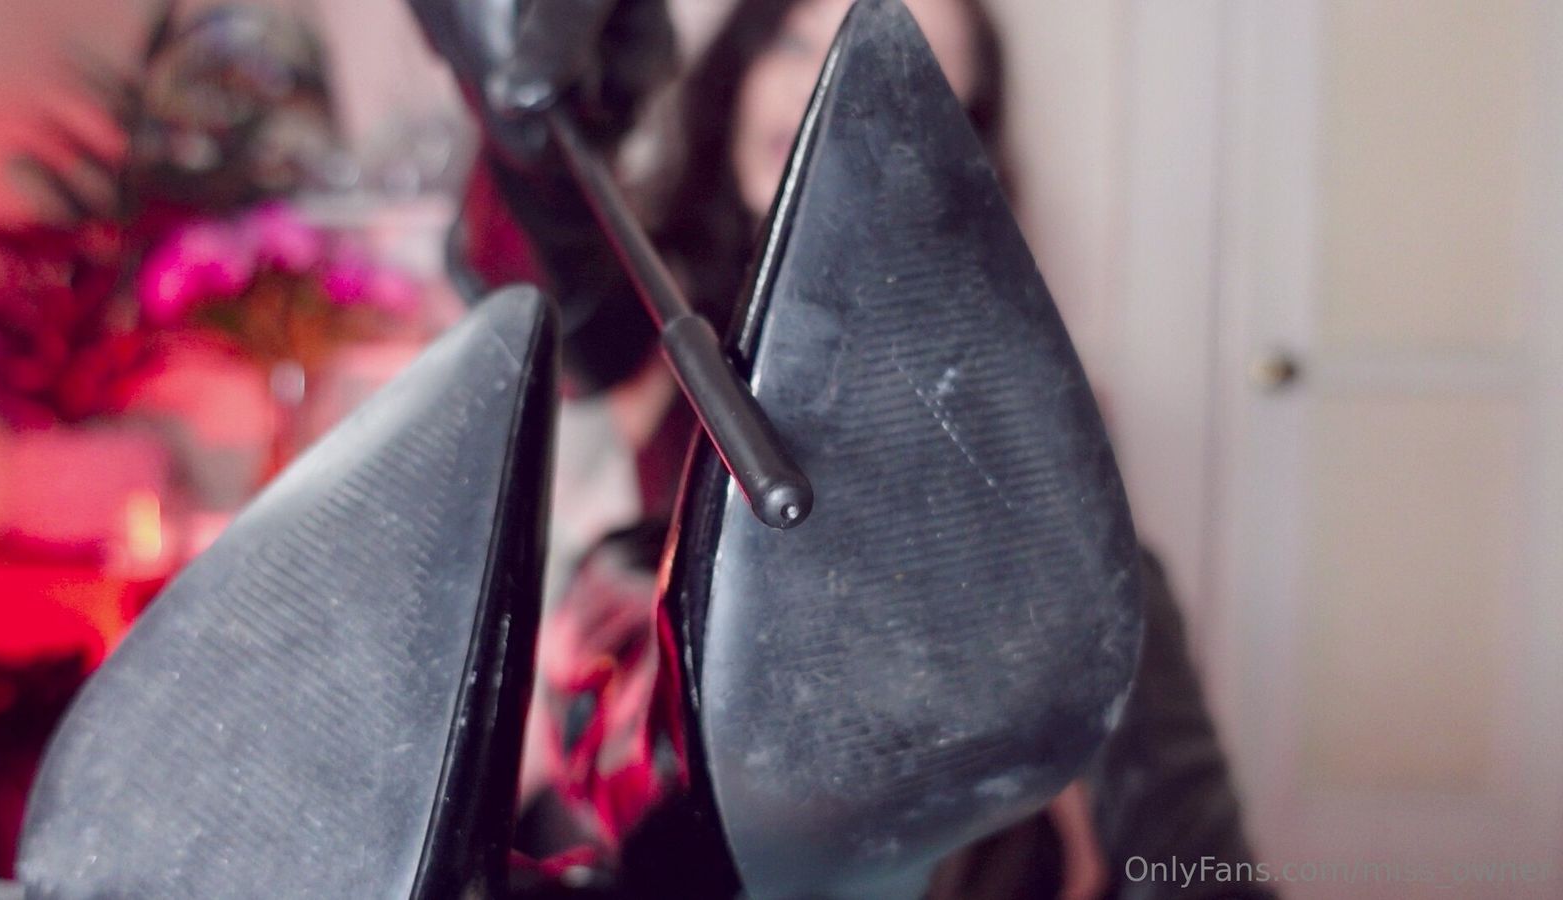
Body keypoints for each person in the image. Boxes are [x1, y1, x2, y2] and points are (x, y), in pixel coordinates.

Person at [452, 0, 1273, 896]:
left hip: (954, 836)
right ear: (742, 68)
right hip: (684, 799)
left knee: (1120, 598)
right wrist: (533, 144)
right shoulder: (660, 319)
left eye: (901, 61)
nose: (822, 88)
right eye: (796, 41)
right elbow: (546, 270)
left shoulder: (1009, 399)